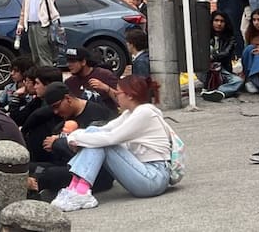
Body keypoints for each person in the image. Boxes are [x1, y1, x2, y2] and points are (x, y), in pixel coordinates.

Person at [50, 75, 175, 212]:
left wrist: (72, 139)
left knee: (101, 142)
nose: (115, 95)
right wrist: (76, 136)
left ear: (130, 95)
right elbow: (103, 129)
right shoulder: (130, 114)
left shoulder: (145, 112)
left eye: (118, 92)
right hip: (145, 174)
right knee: (94, 131)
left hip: (154, 177)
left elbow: (111, 138)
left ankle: (80, 191)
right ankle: (75, 189)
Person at [16, 0, 61, 68]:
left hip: (43, 25)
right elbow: (24, 9)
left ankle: (47, 74)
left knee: (43, 54)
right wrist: (21, 25)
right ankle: (39, 75)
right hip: (30, 25)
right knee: (35, 55)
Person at [201, 10, 244, 101]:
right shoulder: (204, 36)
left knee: (238, 81)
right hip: (205, 70)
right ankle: (209, 87)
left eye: (222, 21)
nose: (219, 24)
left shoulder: (230, 39)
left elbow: (226, 54)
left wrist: (213, 57)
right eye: (216, 20)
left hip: (222, 70)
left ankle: (219, 92)